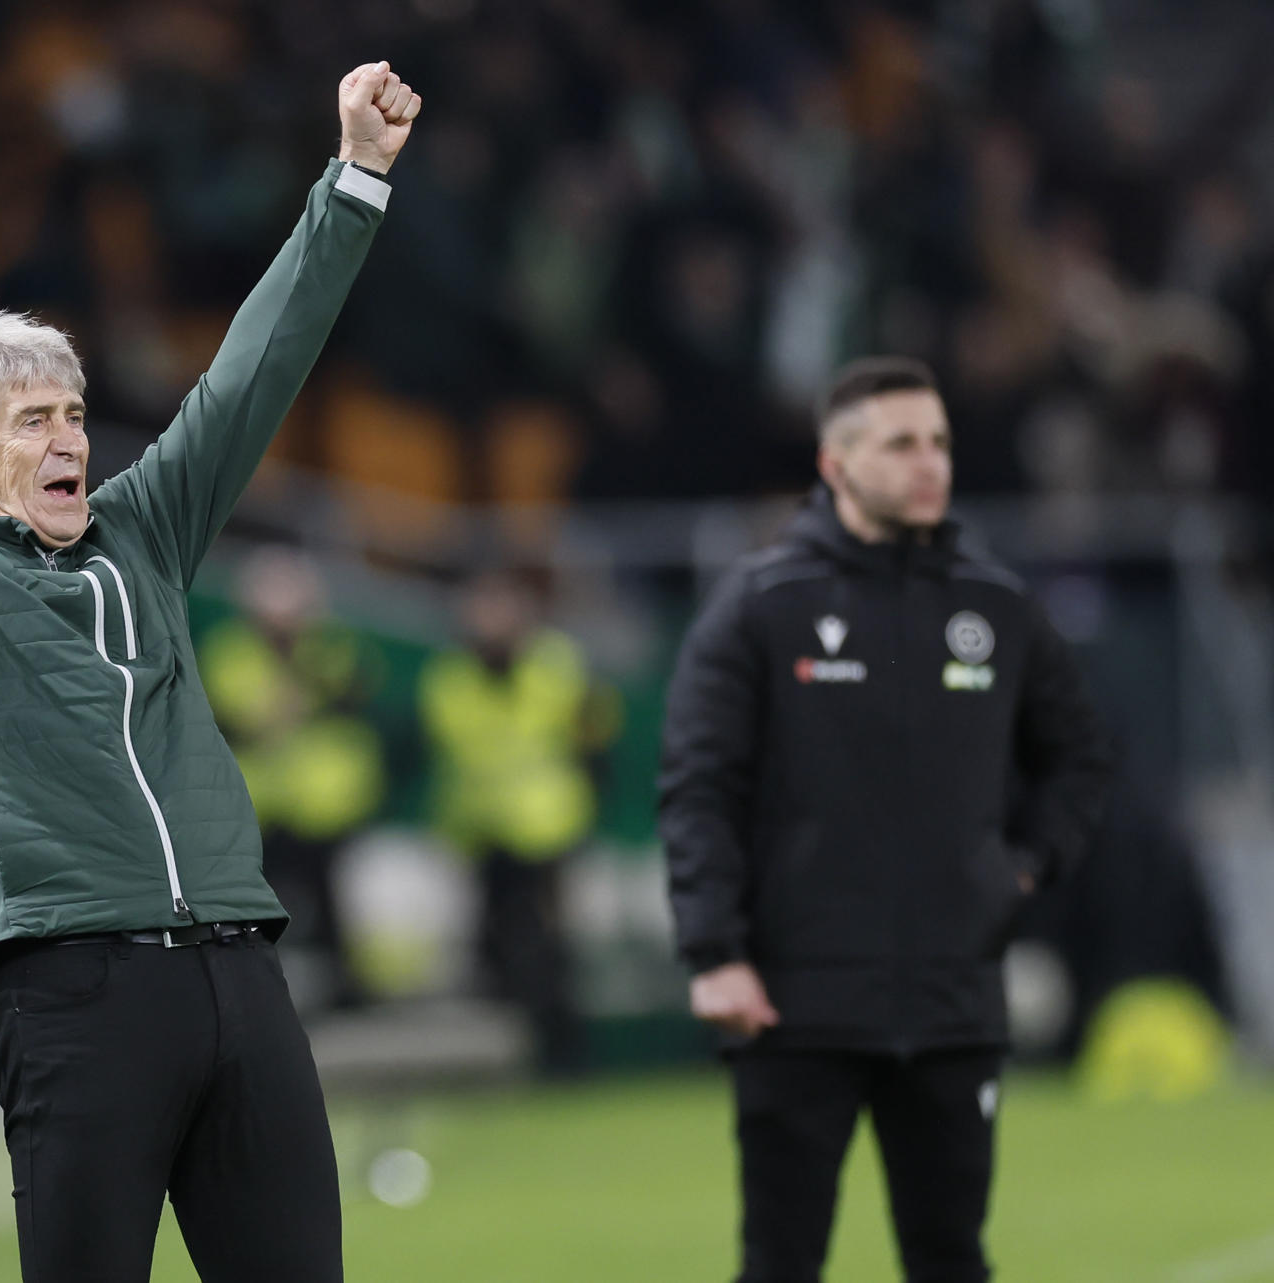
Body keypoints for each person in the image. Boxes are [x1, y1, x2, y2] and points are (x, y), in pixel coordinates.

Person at [0, 61, 420, 1282]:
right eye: (35, 420)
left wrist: (354, 176)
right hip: (75, 984)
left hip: (241, 968)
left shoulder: (142, 533)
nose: (72, 438)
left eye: (76, 411)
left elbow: (251, 375)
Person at [659, 356, 1114, 1283]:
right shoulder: (762, 605)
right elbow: (699, 787)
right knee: (780, 1263)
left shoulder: (995, 605)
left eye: (939, 441)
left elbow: (1079, 758)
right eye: (901, 443)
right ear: (835, 465)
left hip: (953, 1001)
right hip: (795, 1004)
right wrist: (715, 952)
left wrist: (1022, 867)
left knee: (952, 1259)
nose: (930, 463)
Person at [419, 569, 620, 1076]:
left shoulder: (558, 665)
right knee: (494, 952)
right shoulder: (450, 677)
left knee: (551, 948)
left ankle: (564, 1055)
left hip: (548, 828)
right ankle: (511, 1062)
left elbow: (595, 736)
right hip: (482, 833)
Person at [197, 546, 387, 1010]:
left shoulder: (332, 646)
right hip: (260, 806)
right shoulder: (230, 650)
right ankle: (259, 989)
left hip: (328, 804)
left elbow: (351, 691)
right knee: (260, 908)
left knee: (334, 903)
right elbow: (239, 710)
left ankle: (346, 986)